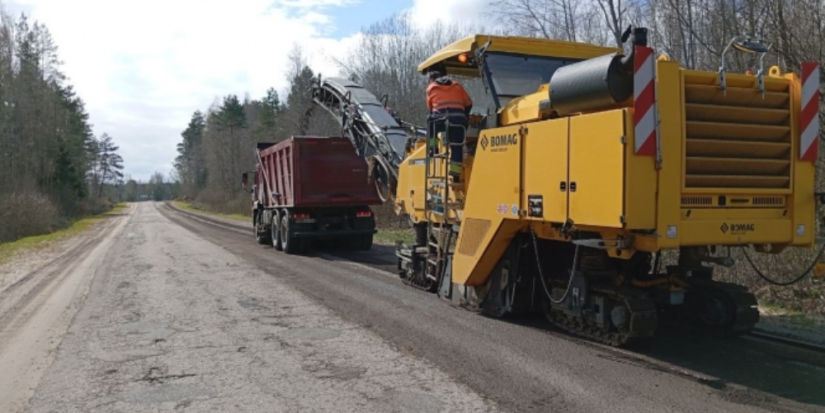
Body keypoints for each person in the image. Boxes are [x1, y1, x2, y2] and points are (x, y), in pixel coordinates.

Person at [426, 65, 472, 182]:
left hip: (441, 119)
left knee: (430, 123)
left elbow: (430, 108)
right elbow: (469, 103)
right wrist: (464, 115)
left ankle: (433, 148)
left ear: (432, 78)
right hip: (459, 121)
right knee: (457, 147)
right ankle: (456, 175)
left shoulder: (431, 88)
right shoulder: (457, 86)